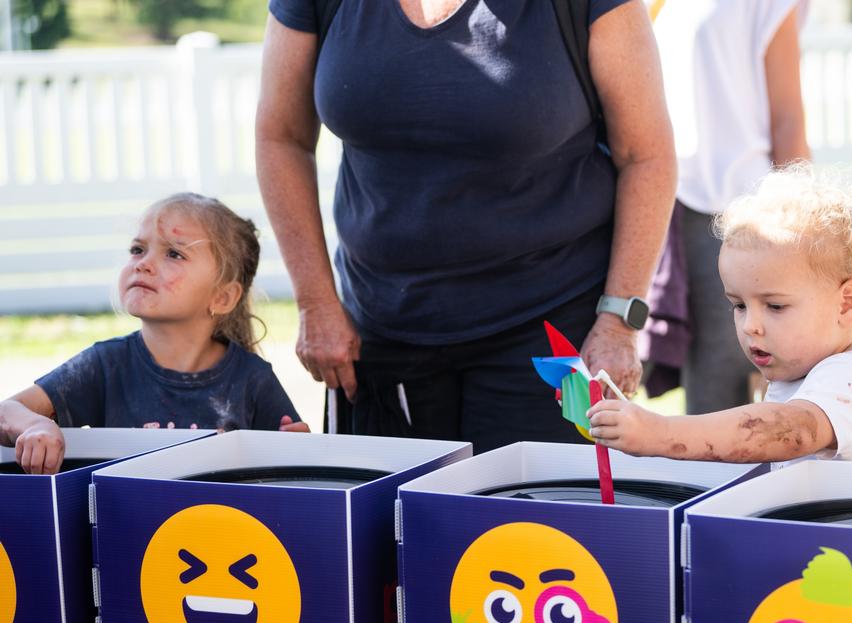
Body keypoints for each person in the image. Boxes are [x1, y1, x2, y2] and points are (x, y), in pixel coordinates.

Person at [255, 0, 675, 453]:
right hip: (379, 336)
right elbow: (282, 137)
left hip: (549, 335)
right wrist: (314, 303)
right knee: (394, 524)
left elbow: (646, 156)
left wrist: (619, 322)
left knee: (526, 522)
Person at [589, 162, 852, 468]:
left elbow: (790, 431)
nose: (750, 326)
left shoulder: (849, 378)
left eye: (775, 306)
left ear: (846, 304)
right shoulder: (795, 380)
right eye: (739, 306)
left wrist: (660, 433)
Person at [0, 193, 308, 475]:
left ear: (223, 297)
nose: (143, 264)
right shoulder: (105, 366)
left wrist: (295, 449)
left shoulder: (252, 379)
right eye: (137, 249)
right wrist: (34, 424)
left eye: (173, 254)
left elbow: (294, 474)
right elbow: (7, 411)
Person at [642, 0, 810, 412]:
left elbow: (787, 115)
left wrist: (803, 232)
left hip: (741, 214)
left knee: (727, 391)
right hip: (666, 209)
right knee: (696, 391)